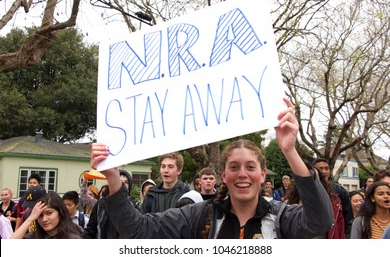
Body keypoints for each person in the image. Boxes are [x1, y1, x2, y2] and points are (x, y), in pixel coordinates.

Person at [91, 98, 333, 239]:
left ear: (262, 174)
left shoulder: (282, 217)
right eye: (234, 167)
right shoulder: (198, 215)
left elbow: (321, 220)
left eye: (250, 167)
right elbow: (137, 231)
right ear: (223, 176)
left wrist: (290, 151)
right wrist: (113, 176)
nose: (242, 174)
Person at [284, 168, 346, 239]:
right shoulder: (289, 205)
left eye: (314, 177)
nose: (310, 181)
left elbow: (340, 230)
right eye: (306, 177)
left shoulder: (334, 204)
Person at [82, 169, 138, 238]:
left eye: (126, 182)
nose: (123, 184)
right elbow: (90, 230)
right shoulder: (101, 205)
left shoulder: (134, 208)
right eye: (120, 181)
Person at [10, 191, 82, 239]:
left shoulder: (72, 237)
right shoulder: (33, 237)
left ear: (60, 213)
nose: (44, 219)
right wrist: (31, 218)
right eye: (40, 215)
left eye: (49, 213)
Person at [313, 158, 353, 238]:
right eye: (320, 169)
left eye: (326, 168)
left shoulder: (340, 191)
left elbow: (348, 219)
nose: (324, 172)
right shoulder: (307, 190)